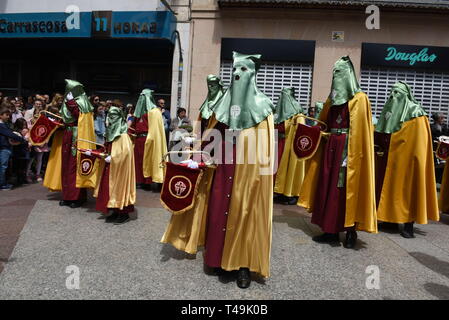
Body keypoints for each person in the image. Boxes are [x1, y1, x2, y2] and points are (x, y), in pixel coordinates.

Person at [162, 52, 275, 289]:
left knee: (244, 215)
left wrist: (263, 182)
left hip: (248, 173)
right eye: (234, 70)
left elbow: (266, 152)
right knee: (218, 211)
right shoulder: (222, 106)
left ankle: (242, 265)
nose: (236, 74)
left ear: (253, 74)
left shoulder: (263, 108)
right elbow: (210, 138)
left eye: (243, 70)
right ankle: (216, 258)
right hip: (221, 171)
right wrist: (197, 158)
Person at [298, 56, 377, 249]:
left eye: (340, 72)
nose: (337, 76)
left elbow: (363, 131)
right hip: (331, 149)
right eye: (334, 73)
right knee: (329, 187)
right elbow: (323, 121)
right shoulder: (331, 98)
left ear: (349, 74)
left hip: (351, 152)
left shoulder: (360, 99)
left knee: (349, 190)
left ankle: (351, 231)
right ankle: (330, 230)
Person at [375, 81, 439, 238]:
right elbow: (381, 131)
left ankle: (408, 225)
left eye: (398, 93)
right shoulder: (388, 109)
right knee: (388, 189)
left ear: (406, 94)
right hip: (389, 159)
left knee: (408, 191)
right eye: (392, 92)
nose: (393, 96)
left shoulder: (416, 113)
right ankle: (389, 219)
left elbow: (420, 142)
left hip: (408, 161)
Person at [91, 105, 136, 224]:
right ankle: (114, 211)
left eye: (114, 117)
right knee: (108, 188)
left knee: (120, 187)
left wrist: (114, 158)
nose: (110, 120)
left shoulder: (123, 135)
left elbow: (126, 153)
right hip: (110, 167)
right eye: (109, 117)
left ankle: (123, 213)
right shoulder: (110, 133)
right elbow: (106, 148)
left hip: (120, 169)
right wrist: (96, 153)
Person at [58, 79, 97, 208]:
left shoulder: (82, 102)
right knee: (66, 166)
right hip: (67, 135)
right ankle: (67, 196)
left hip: (78, 136)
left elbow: (80, 117)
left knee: (75, 167)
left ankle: (77, 197)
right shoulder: (67, 101)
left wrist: (71, 103)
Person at [273, 87, 306, 205]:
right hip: (278, 145)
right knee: (278, 171)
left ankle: (291, 194)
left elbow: (301, 132)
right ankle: (280, 193)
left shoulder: (297, 113)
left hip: (290, 147)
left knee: (289, 171)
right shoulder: (278, 111)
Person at [132, 89, 158, 189]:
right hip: (138, 139)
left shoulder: (153, 112)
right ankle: (140, 180)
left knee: (146, 161)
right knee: (138, 161)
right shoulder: (137, 113)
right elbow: (132, 126)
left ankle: (147, 182)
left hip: (147, 138)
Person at [0, 106, 27, 190]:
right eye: (6, 115)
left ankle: (3, 183)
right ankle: (2, 185)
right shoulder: (1, 125)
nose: (8, 117)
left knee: (3, 166)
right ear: (1, 115)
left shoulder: (5, 124)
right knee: (3, 167)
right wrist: (22, 139)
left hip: (5, 147)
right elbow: (10, 134)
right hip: (3, 148)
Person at [12, 118, 31, 186]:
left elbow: (29, 139)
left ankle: (23, 178)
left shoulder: (27, 130)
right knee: (18, 166)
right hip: (18, 151)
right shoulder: (15, 132)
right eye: (22, 125)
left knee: (24, 165)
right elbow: (16, 141)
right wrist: (22, 135)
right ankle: (19, 180)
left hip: (25, 150)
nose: (24, 126)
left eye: (25, 124)